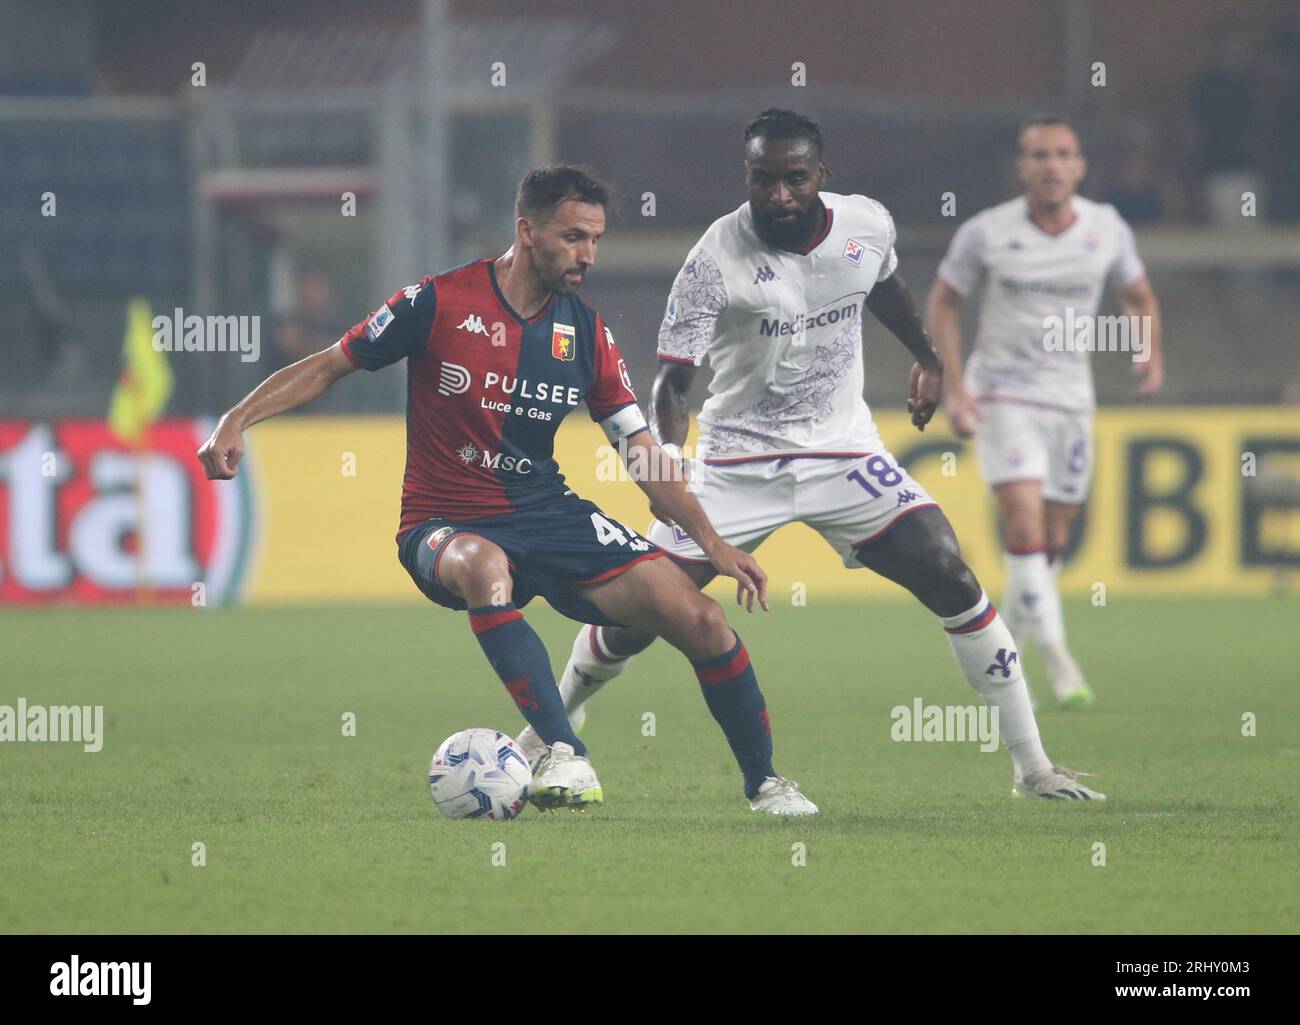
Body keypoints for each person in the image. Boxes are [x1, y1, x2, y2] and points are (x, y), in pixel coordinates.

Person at [198, 165, 815, 815]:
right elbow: (327, 366)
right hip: (443, 520)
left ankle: (766, 783)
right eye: (574, 237)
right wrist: (237, 418)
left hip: (547, 513)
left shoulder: (586, 334)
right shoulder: (434, 303)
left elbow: (642, 453)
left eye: (596, 239)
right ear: (527, 230)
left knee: (700, 617)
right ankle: (563, 749)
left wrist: (713, 543)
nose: (588, 255)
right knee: (486, 568)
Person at [523, 111, 1103, 801]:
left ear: (820, 175)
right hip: (737, 462)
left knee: (951, 573)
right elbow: (673, 383)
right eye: (762, 179)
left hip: (843, 450)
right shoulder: (713, 259)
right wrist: (667, 466)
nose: (778, 195)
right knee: (636, 614)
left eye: (794, 178)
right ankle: (551, 727)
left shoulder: (867, 225)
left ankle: (1033, 767)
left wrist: (926, 355)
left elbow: (882, 286)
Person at [926, 114, 1164, 707]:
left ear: (1079, 167)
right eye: (1039, 155)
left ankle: (1009, 649)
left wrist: (1148, 352)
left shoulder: (1107, 228)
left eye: (1063, 154)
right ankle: (1060, 666)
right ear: (1022, 167)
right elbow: (944, 303)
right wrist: (956, 386)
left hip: (1070, 400)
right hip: (1002, 394)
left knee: (1051, 539)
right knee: (1025, 526)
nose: (1051, 165)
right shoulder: (986, 232)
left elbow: (1137, 296)